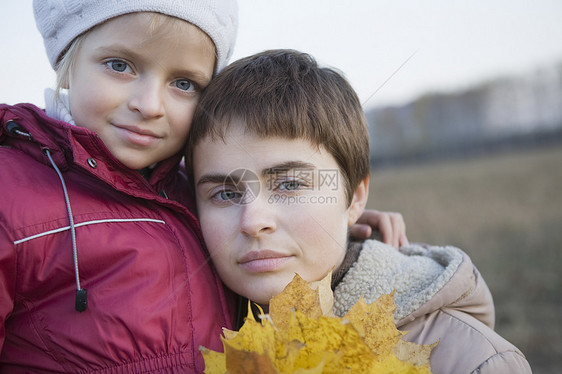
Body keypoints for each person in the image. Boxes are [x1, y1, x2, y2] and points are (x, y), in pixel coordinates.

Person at [0, 2, 405, 372]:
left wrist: (336, 218)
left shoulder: (185, 192)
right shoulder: (12, 196)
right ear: (66, 61)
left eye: (185, 84)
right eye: (119, 65)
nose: (150, 104)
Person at [187, 49, 532, 373]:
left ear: (354, 198)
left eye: (290, 185)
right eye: (225, 193)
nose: (253, 222)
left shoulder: (474, 362)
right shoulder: (191, 341)